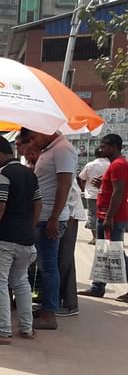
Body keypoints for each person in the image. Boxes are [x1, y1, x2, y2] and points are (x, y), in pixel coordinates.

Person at [0, 136, 42, 344]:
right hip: (26, 240)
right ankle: (27, 328)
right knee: (21, 283)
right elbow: (38, 204)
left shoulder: (2, 174)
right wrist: (29, 226)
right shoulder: (30, 174)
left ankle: (2, 331)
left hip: (3, 240)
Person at [16, 128, 77, 330]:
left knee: (48, 266)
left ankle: (49, 314)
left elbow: (64, 184)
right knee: (41, 266)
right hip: (42, 216)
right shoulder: (50, 150)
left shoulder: (62, 149)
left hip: (49, 218)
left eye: (34, 137)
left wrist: (54, 217)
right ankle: (45, 307)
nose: (32, 141)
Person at [79, 133, 128, 302]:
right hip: (107, 215)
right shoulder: (115, 165)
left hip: (112, 217)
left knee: (116, 254)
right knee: (105, 253)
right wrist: (103, 185)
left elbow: (119, 192)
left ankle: (98, 287)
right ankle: (97, 287)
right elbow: (116, 189)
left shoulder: (118, 165)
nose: (101, 149)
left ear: (113, 147)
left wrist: (109, 218)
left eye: (104, 146)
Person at [57, 180, 87, 316]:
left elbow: (68, 192)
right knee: (60, 260)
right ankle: (57, 300)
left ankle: (70, 304)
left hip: (68, 216)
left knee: (64, 260)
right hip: (65, 215)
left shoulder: (61, 165)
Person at [78, 149, 109, 244]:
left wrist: (83, 189)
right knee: (105, 215)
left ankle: (95, 237)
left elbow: (81, 178)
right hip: (105, 194)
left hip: (91, 194)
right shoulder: (109, 165)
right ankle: (104, 237)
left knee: (92, 215)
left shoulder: (90, 165)